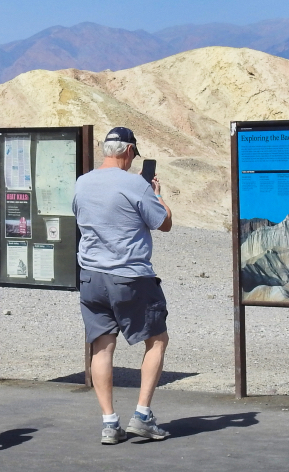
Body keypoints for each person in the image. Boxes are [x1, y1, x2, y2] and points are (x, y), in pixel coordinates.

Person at [73, 126, 173, 445]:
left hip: (90, 276)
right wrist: (156, 195)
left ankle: (109, 422)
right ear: (129, 151)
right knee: (156, 340)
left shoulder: (82, 182)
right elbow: (165, 223)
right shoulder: (135, 184)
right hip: (130, 275)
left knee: (102, 347)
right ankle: (142, 415)